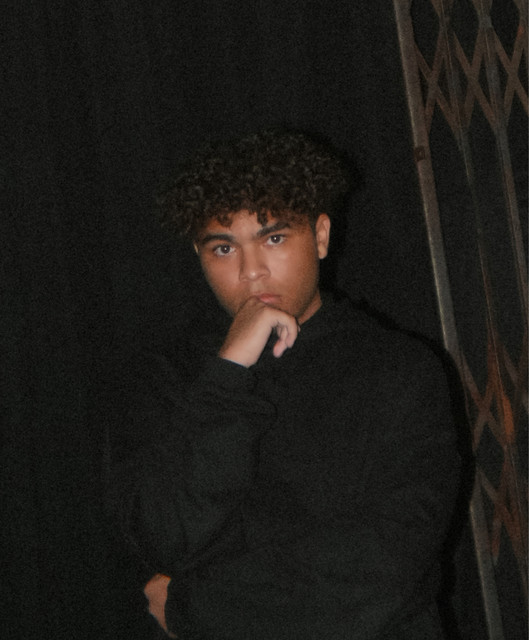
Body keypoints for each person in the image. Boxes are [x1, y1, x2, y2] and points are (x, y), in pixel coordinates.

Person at [107, 129, 462, 639]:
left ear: (320, 236)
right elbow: (162, 539)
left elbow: (383, 570)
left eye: (273, 239)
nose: (251, 272)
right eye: (223, 248)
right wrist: (229, 371)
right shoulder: (164, 378)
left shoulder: (397, 369)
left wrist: (195, 606)